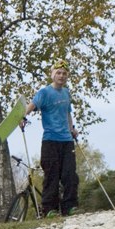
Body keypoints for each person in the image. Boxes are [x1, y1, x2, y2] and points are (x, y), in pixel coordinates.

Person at [25, 60, 79, 218]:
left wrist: (72, 129)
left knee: (70, 174)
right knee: (52, 175)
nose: (61, 76)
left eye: (64, 74)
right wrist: (22, 116)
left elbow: (68, 113)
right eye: (58, 73)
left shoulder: (66, 93)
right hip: (50, 140)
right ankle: (49, 209)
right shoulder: (45, 92)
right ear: (52, 74)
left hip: (66, 140)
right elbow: (32, 105)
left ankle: (70, 206)